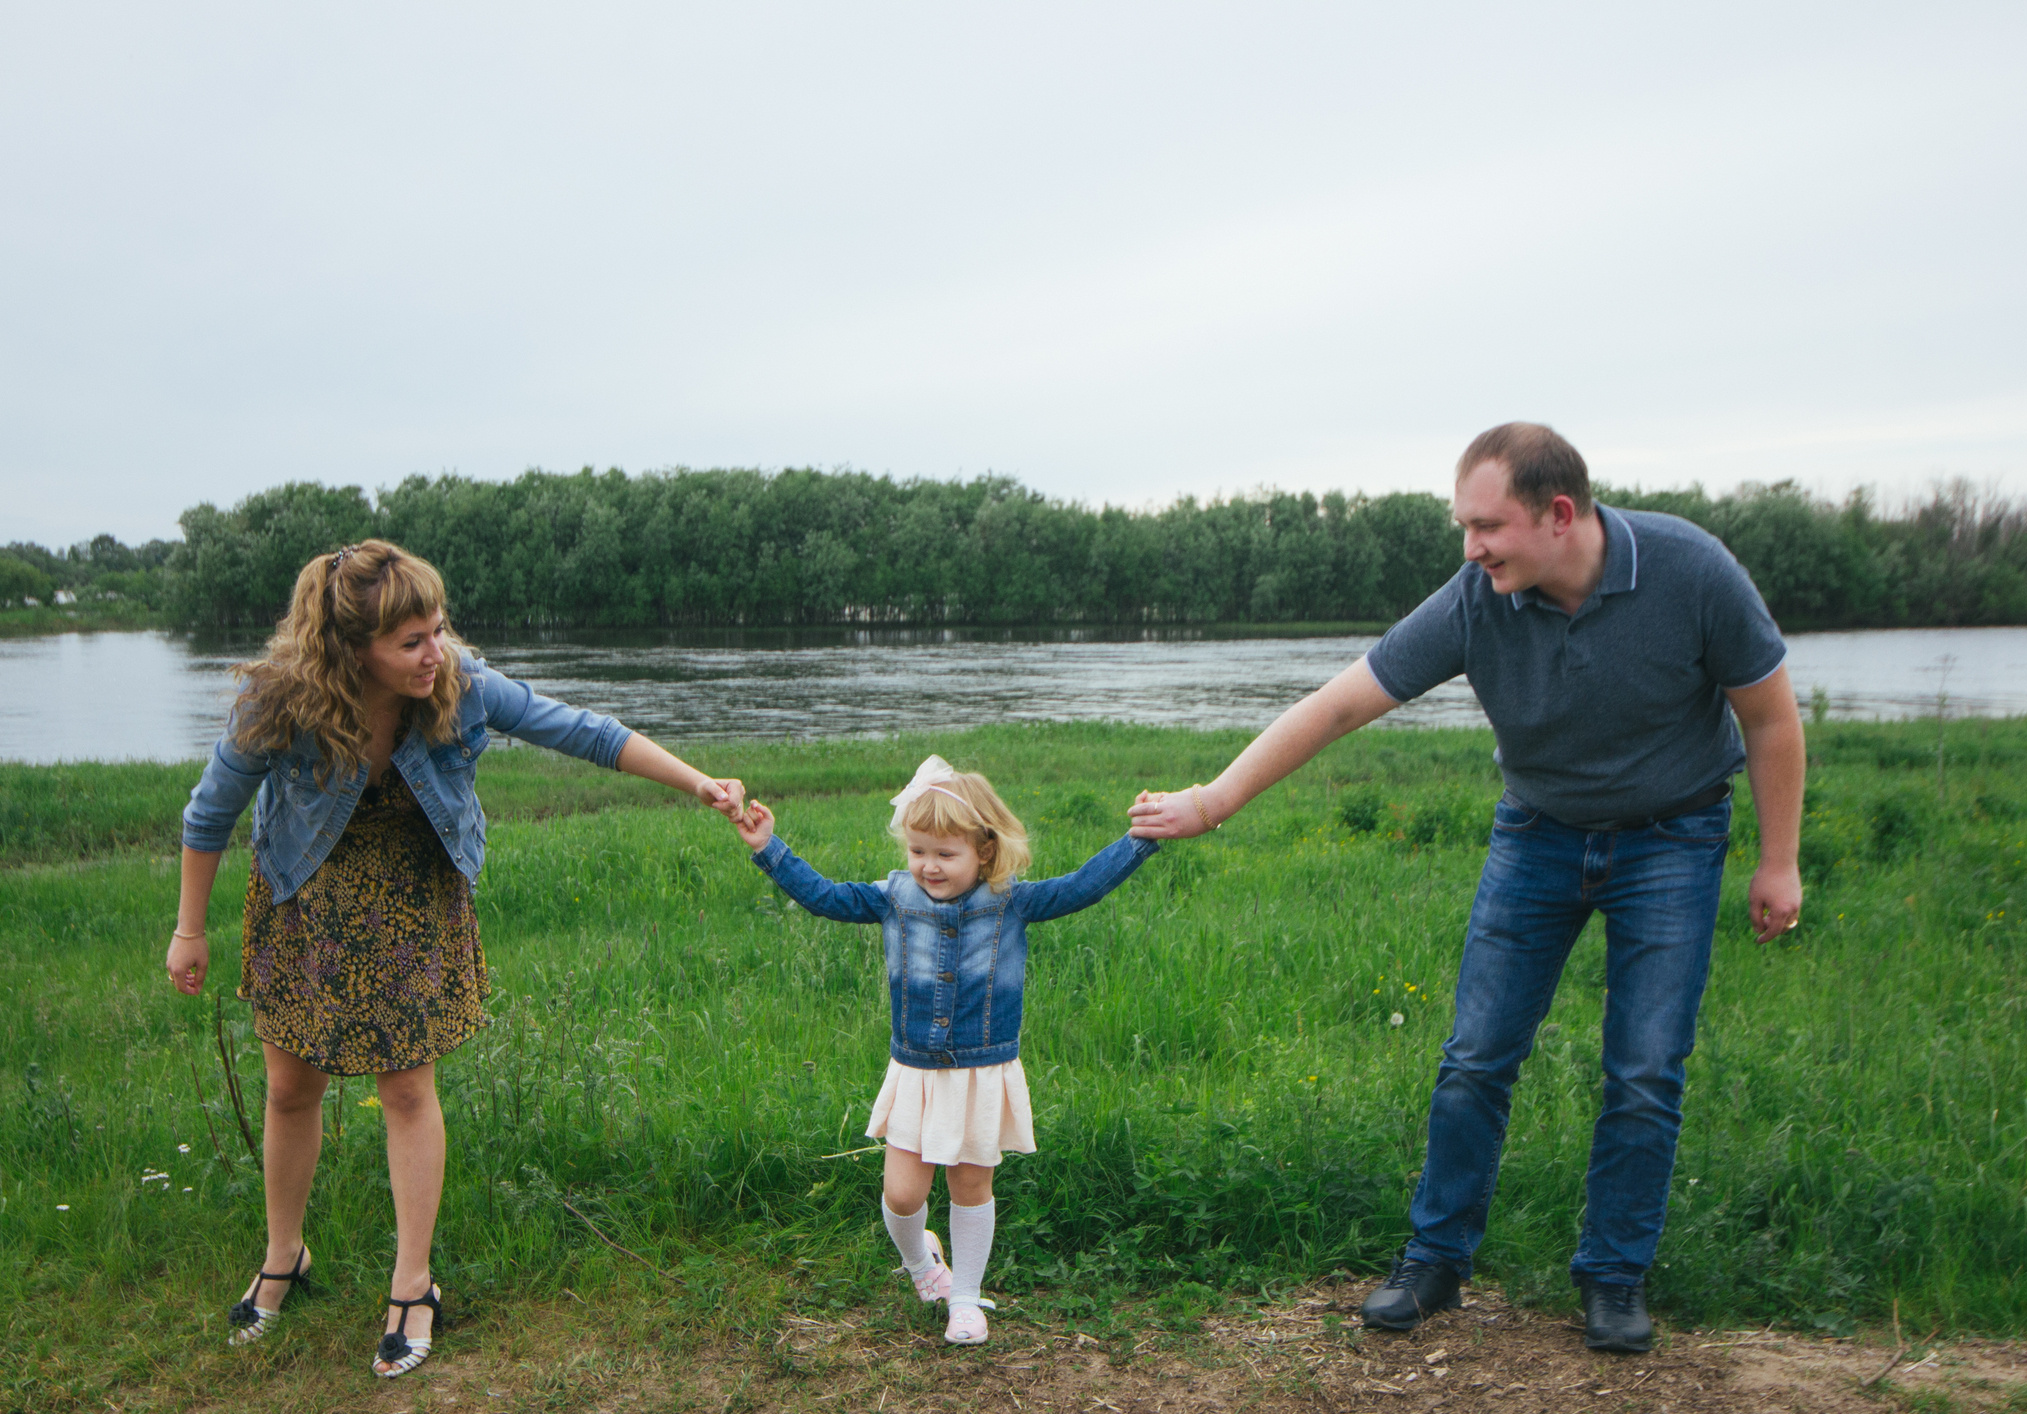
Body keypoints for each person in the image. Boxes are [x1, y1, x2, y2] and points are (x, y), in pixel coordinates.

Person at [1129, 424, 1804, 1354]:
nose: (1470, 547)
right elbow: (1340, 703)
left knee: (1646, 1068)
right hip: (1538, 835)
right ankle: (1435, 1261)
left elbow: (1768, 715)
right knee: (1477, 1055)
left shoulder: (1691, 570)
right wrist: (1212, 801)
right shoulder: (1476, 600)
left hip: (1674, 838)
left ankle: (1613, 1277)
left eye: (1487, 525)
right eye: (1464, 525)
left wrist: (1779, 860)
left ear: (1558, 515)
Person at [168, 539, 745, 1377]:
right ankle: (284, 1253)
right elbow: (208, 813)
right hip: (305, 902)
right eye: (411, 641)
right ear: (348, 649)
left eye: (437, 630)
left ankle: (413, 1282)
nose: (435, 653)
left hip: (412, 903)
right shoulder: (279, 702)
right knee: (292, 1087)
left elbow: (582, 731)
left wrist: (698, 783)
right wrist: (191, 929)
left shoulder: (460, 684)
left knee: (405, 1088)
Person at [730, 756, 1158, 1345]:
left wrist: (1141, 840)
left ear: (984, 850)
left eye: (945, 854)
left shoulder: (1013, 901)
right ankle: (923, 1265)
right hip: (917, 1071)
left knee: (970, 1186)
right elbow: (825, 896)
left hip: (982, 1072)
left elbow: (1082, 886)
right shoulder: (893, 896)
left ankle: (965, 1298)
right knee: (902, 1194)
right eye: (918, 851)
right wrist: (767, 847)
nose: (928, 866)